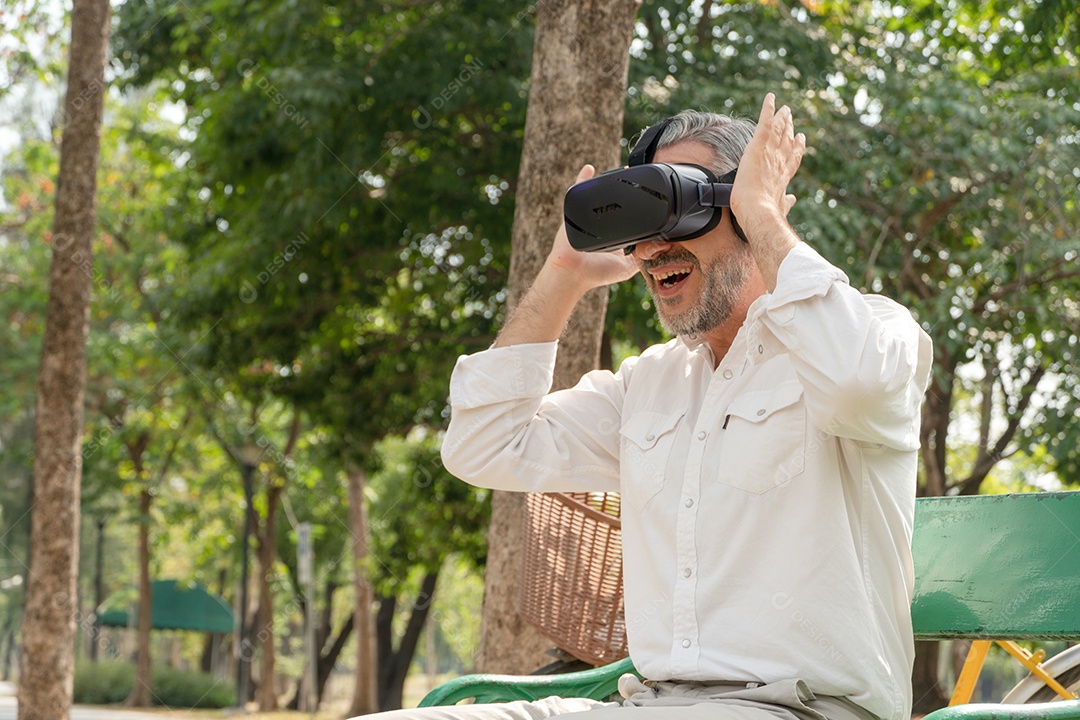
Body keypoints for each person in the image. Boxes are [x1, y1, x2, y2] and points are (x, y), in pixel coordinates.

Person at [363, 94, 933, 720]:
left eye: (679, 206)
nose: (653, 246)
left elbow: (857, 385)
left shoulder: (873, 334)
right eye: (638, 222)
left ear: (741, 207)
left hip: (806, 710)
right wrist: (563, 272)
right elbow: (483, 444)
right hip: (650, 705)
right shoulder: (649, 385)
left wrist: (765, 215)